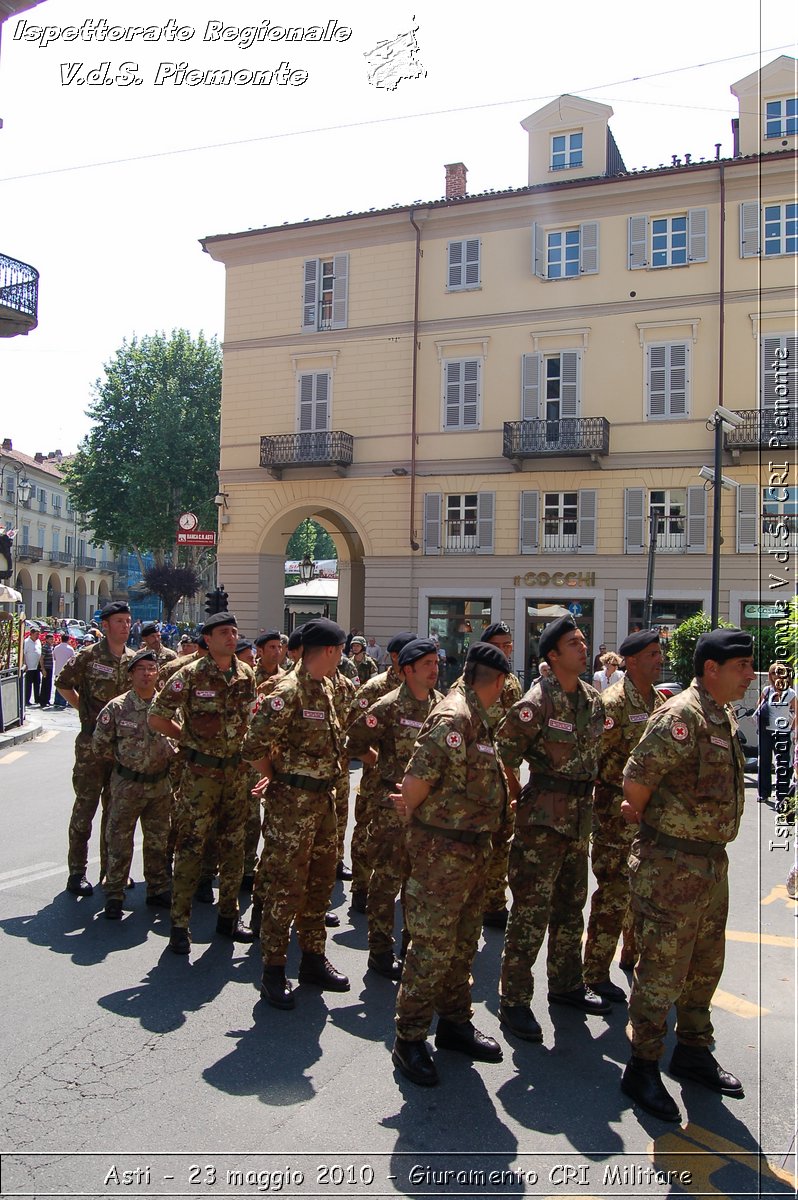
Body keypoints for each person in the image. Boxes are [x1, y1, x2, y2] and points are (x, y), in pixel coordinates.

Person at [619, 628, 754, 1123]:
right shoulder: (681, 716)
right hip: (671, 865)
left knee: (704, 965)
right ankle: (643, 1065)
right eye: (742, 666)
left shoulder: (721, 714)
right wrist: (663, 832)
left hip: (710, 863)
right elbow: (635, 783)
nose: (750, 675)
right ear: (711, 670)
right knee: (660, 972)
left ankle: (694, 1049)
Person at [391, 641, 511, 1087]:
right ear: (497, 682)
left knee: (463, 943)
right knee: (432, 947)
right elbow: (414, 785)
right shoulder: (454, 719)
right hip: (442, 855)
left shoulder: (478, 716)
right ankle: (409, 1037)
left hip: (471, 852)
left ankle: (455, 1022)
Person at [496, 614, 608, 1044]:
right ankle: (515, 1000)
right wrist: (512, 789)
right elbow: (503, 750)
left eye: (584, 641)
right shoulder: (535, 702)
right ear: (553, 655)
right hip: (542, 819)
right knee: (530, 912)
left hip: (579, 818)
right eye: (574, 644)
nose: (584, 648)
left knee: (569, 908)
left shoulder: (592, 700)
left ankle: (565, 986)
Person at [243, 617, 350, 1010]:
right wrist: (280, 779)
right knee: (286, 887)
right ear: (329, 651)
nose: (340, 657)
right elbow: (252, 744)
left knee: (321, 883)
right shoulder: (288, 691)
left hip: (322, 804)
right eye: (339, 651)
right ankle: (272, 969)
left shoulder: (324, 689)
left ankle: (312, 959)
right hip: (293, 805)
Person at [147, 611, 257, 954]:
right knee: (192, 848)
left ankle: (228, 917)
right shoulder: (190, 674)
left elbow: (251, 718)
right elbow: (156, 716)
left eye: (234, 632)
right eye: (224, 632)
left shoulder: (246, 674)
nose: (231, 637)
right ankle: (179, 924)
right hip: (200, 777)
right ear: (207, 640)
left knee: (233, 847)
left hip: (236, 775)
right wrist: (187, 739)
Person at [346, 638, 443, 980]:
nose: (434, 669)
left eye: (436, 662)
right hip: (390, 806)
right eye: (427, 664)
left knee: (418, 884)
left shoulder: (442, 706)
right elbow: (355, 740)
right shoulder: (388, 706)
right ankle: (380, 950)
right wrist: (379, 765)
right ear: (407, 670)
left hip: (426, 811)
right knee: (386, 881)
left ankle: (410, 947)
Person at [583, 630, 665, 1002]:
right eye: (651, 654)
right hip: (616, 815)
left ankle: (630, 957)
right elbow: (596, 761)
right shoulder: (613, 703)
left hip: (650, 818)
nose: (659, 660)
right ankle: (595, 972)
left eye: (659, 654)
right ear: (631, 662)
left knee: (642, 891)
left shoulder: (660, 701)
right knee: (613, 892)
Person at [56, 602, 135, 897]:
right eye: (119, 621)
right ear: (105, 625)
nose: (125, 626)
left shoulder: (133, 659)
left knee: (116, 813)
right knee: (85, 808)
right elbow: (63, 684)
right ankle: (77, 872)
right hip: (91, 745)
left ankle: (111, 872)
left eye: (128, 621)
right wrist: (86, 712)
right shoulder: (89, 656)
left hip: (121, 748)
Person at [92, 649, 177, 918]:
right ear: (131, 674)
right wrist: (125, 766)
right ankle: (115, 893)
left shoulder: (167, 707)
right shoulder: (117, 707)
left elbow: (180, 738)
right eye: (141, 668)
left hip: (160, 786)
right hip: (127, 785)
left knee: (158, 841)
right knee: (119, 840)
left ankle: (157, 888)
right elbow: (100, 746)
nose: (147, 673)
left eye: (151, 668)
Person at [449, 621, 523, 928]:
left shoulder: (512, 684)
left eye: (509, 645)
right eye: (500, 646)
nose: (506, 650)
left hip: (506, 773)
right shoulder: (461, 688)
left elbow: (517, 729)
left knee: (502, 840)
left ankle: (495, 902)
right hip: (478, 776)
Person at [346, 631, 417, 912]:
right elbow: (353, 734)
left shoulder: (420, 689)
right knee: (367, 834)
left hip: (409, 784)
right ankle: (361, 888)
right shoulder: (375, 689)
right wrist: (376, 761)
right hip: (377, 781)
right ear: (398, 658)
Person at [755, 661, 796, 805]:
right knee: (764, 762)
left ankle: (781, 794)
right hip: (766, 732)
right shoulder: (767, 691)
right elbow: (757, 707)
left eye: (779, 672)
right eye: (773, 672)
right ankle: (763, 793)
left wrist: (792, 728)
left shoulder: (790, 693)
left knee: (782, 764)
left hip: (782, 732)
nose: (775, 675)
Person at [51, 632, 75, 710]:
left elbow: (54, 657)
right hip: (66, 670)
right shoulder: (70, 649)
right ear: (68, 640)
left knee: (58, 685)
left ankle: (57, 701)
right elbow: (73, 659)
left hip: (58, 669)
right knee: (65, 686)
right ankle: (63, 701)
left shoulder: (56, 648)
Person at [23, 626, 42, 706]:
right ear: (31, 634)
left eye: (38, 634)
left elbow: (40, 653)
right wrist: (25, 664)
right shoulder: (26, 642)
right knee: (28, 685)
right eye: (36, 634)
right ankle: (27, 700)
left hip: (37, 666)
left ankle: (37, 699)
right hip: (29, 667)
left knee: (37, 683)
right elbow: (23, 654)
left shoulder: (38, 642)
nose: (38, 636)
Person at [39, 631, 55, 707]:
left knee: (49, 684)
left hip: (50, 667)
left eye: (53, 639)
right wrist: (43, 669)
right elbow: (41, 658)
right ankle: (43, 700)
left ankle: (47, 700)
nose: (52, 640)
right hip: (46, 668)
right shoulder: (45, 647)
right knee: (45, 684)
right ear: (47, 640)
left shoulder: (50, 647)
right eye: (51, 639)